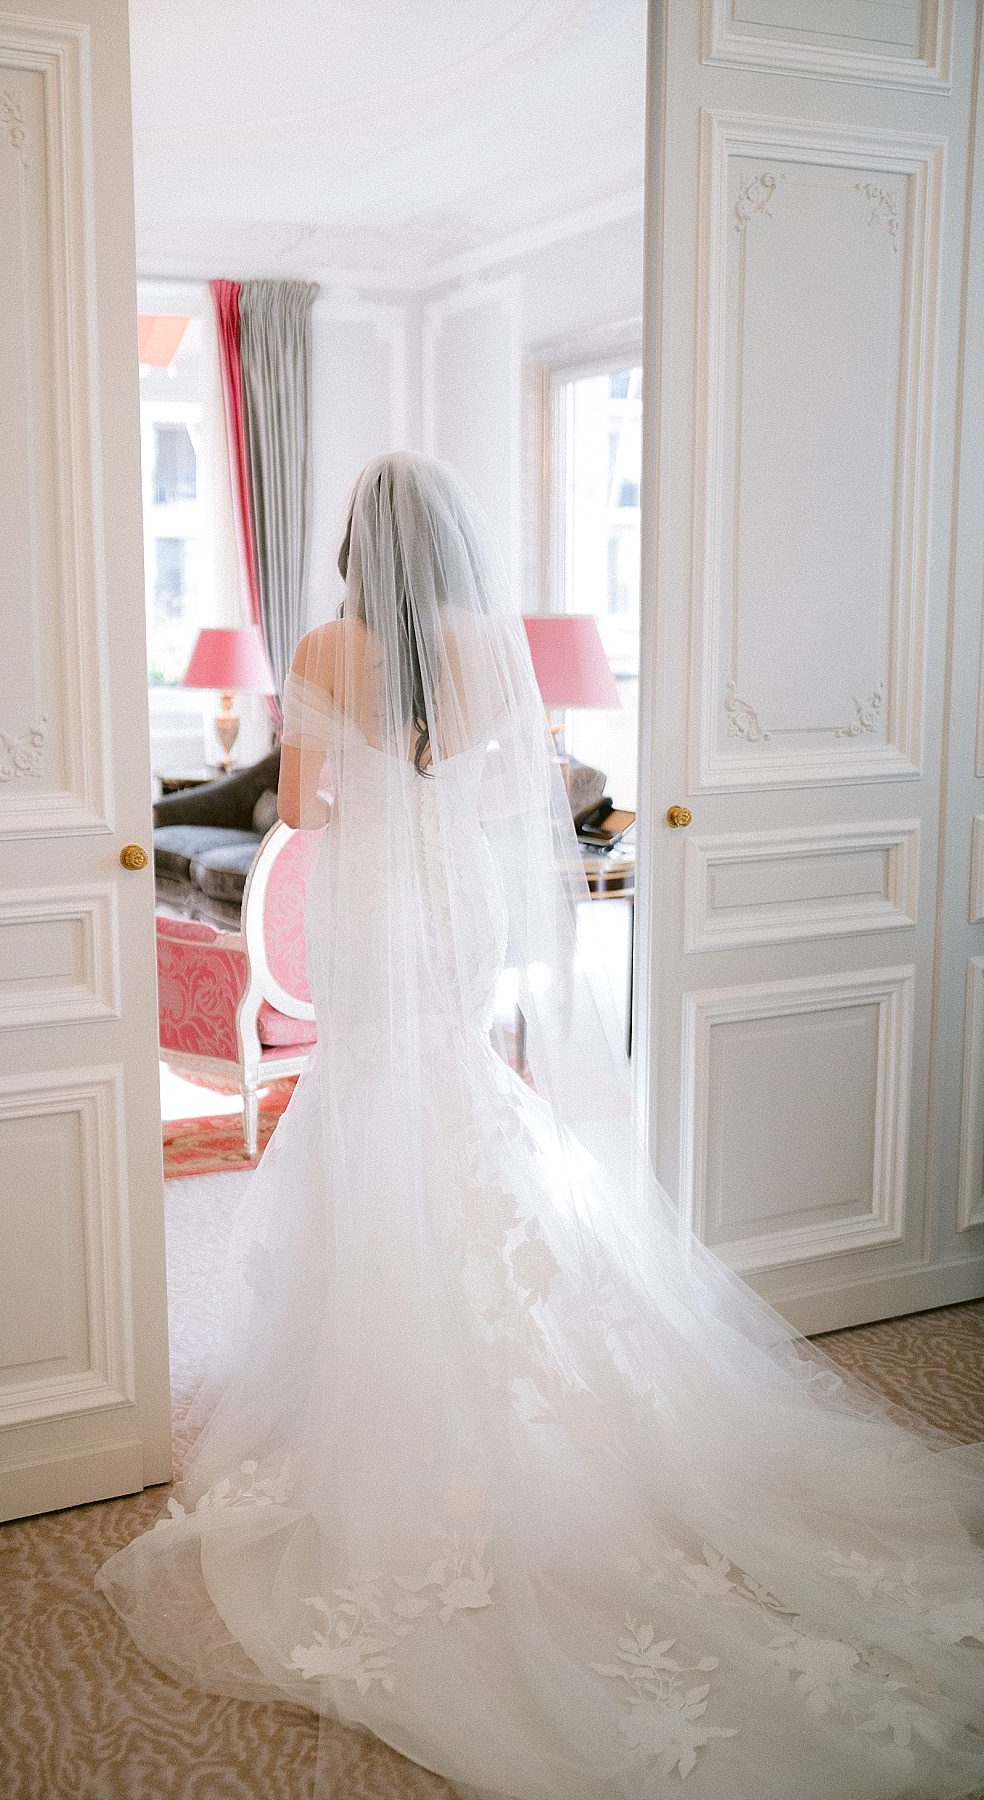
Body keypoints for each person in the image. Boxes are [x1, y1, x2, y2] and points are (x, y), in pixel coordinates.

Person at [97, 452, 984, 1800]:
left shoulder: (328, 642)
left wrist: (323, 781)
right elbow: (537, 780)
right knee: (460, 1089)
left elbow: (314, 809)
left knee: (373, 1097)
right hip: (454, 906)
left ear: (354, 545)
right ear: (453, 551)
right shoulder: (486, 647)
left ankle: (377, 1373)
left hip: (375, 900)